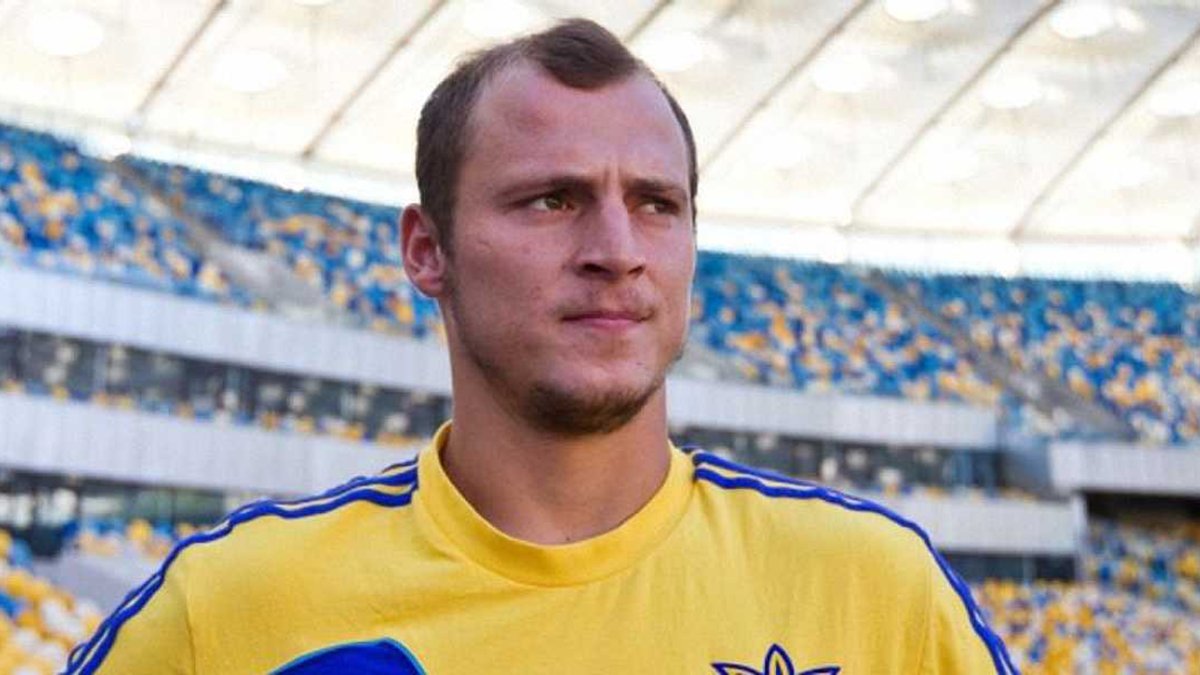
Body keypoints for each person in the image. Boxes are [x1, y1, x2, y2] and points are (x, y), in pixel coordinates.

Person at [68, 18, 1014, 674]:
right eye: (552, 200)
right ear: (426, 249)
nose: (617, 250)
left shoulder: (878, 592)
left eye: (657, 203)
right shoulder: (229, 611)